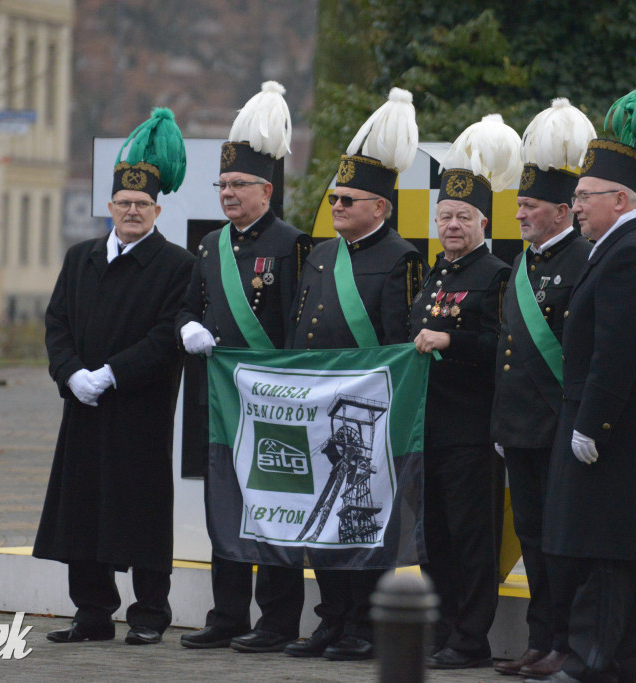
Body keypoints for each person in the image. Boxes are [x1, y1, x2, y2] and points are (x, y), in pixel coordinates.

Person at [534, 78, 636, 683]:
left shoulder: (630, 252)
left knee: (605, 554)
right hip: (622, 430)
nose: (575, 205)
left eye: (585, 195)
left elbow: (617, 354)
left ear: (621, 200)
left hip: (618, 433)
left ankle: (594, 662)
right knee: (617, 554)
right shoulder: (619, 246)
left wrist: (590, 425)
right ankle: (621, 661)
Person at [34, 108, 195, 646]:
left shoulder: (177, 266)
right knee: (81, 507)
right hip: (83, 405)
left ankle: (150, 613)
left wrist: (111, 374)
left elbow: (168, 334)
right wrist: (71, 374)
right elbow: (57, 322)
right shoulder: (80, 258)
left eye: (142, 205)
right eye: (123, 204)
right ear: (109, 207)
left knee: (143, 511)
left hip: (139, 409)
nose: (132, 211)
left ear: (157, 209)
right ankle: (92, 612)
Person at [284, 87, 424, 662]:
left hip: (369, 413)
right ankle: (332, 618)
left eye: (348, 199)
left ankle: (364, 624)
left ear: (381, 208)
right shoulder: (319, 255)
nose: (336, 207)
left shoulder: (402, 258)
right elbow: (300, 333)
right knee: (323, 524)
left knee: (364, 520)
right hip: (317, 408)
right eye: (334, 198)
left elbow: (397, 346)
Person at [176, 82, 311, 654]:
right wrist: (188, 325)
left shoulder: (292, 244)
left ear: (266, 188)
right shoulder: (208, 247)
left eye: (238, 185)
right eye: (222, 185)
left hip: (273, 402)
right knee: (225, 511)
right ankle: (227, 613)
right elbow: (187, 304)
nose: (228, 194)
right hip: (220, 401)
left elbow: (299, 327)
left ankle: (277, 621)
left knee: (275, 513)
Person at [489, 99, 595, 678]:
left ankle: (566, 643)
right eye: (518, 204)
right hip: (521, 429)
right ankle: (540, 639)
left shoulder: (583, 262)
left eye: (529, 206)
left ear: (562, 210)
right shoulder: (521, 265)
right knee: (532, 536)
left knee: (561, 542)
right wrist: (503, 426)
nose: (520, 214)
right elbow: (511, 352)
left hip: (559, 428)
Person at [409, 114, 519, 670]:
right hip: (427, 429)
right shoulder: (435, 275)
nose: (452, 226)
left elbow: (501, 347)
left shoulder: (499, 274)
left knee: (473, 539)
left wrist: (449, 339)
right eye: (444, 216)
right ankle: (442, 627)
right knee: (436, 539)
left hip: (472, 431)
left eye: (463, 217)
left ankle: (471, 638)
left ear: (483, 221)